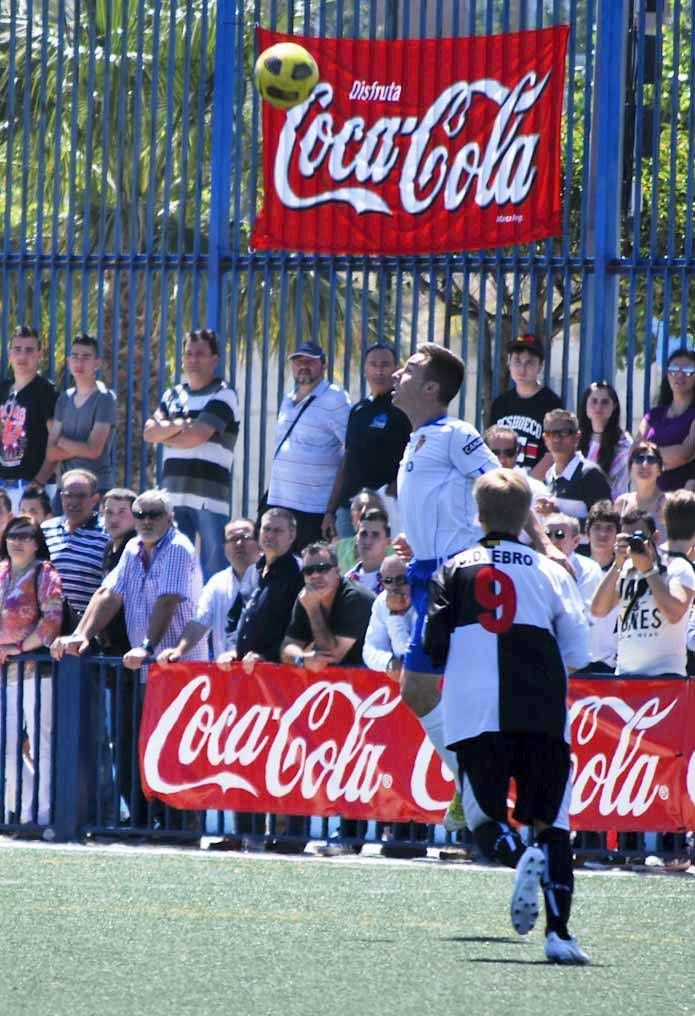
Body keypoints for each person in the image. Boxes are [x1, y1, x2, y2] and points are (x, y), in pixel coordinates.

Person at [425, 468, 590, 965]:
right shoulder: (553, 572)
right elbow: (578, 652)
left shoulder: (453, 569)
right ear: (526, 518)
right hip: (541, 711)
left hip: (476, 714)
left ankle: (521, 860)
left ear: (477, 516)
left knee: (483, 820)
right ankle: (559, 934)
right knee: (551, 822)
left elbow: (433, 648)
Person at [391, 342, 500, 831]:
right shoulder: (417, 440)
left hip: (455, 578)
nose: (397, 373)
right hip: (427, 573)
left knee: (420, 688)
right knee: (431, 691)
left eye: (409, 369)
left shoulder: (455, 432)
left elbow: (500, 487)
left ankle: (475, 784)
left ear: (431, 388)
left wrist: (543, 545)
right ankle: (472, 787)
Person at [143, 328, 240, 581]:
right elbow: (148, 433)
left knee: (214, 570)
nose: (193, 360)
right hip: (173, 498)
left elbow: (196, 436)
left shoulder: (224, 394)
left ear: (214, 359)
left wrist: (168, 433)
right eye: (188, 354)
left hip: (209, 498)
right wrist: (180, 425)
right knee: (174, 570)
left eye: (200, 354)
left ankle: (213, 621)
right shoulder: (172, 395)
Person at [0, 515, 63, 827]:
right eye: (13, 534)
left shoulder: (45, 573)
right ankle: (22, 809)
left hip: (36, 670)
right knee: (6, 745)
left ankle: (43, 815)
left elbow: (52, 620)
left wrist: (16, 649)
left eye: (25, 535)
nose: (17, 540)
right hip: (4, 674)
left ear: (37, 542)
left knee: (42, 744)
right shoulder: (0, 572)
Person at [592, 490, 695, 678]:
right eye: (627, 538)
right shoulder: (625, 568)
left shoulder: (679, 567)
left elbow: (674, 613)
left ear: (656, 536)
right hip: (624, 677)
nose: (632, 544)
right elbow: (598, 610)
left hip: (664, 681)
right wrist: (617, 563)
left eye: (637, 538)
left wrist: (648, 571)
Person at [267, 342, 350, 552]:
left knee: (311, 569)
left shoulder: (335, 399)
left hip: (314, 509)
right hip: (281, 503)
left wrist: (331, 510)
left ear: (323, 365)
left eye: (309, 361)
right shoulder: (287, 399)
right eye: (298, 361)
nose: (303, 366)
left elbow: (352, 451)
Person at [323, 342, 410, 540]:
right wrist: (330, 510)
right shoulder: (358, 410)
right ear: (365, 369)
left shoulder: (404, 408)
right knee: (348, 566)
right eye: (373, 364)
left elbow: (417, 453)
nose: (379, 370)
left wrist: (394, 489)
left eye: (385, 364)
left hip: (385, 506)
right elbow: (347, 460)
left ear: (396, 368)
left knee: (384, 565)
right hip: (349, 508)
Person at [155, 517, 259, 664]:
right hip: (226, 673)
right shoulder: (217, 583)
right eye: (233, 539)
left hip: (261, 671)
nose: (239, 544)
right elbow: (199, 622)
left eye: (245, 538)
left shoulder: (269, 578)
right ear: (224, 547)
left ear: (259, 542)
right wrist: (178, 651)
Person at [224, 508, 303, 671]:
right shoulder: (252, 570)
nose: (270, 535)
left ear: (292, 535)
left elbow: (301, 629)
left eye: (278, 530)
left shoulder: (299, 573)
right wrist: (232, 649)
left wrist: (267, 656)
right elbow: (234, 617)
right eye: (266, 529)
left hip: (277, 672)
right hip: (242, 669)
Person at [40, 334, 117, 495]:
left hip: (96, 488)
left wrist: (60, 440)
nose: (79, 362)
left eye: (86, 357)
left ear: (97, 363)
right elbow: (51, 453)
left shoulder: (105, 398)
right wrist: (81, 448)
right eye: (75, 356)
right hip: (65, 488)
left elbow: (94, 450)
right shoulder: (64, 399)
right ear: (68, 362)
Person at [281, 542, 375, 671]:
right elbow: (287, 647)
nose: (315, 575)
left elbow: (331, 656)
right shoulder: (306, 596)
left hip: (372, 676)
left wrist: (313, 610)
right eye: (308, 571)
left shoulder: (355, 598)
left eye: (322, 568)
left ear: (337, 571)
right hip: (339, 679)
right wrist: (302, 657)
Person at [487, 334, 563, 478]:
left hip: (535, 486)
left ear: (540, 366)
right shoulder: (500, 403)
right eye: (517, 361)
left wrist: (529, 484)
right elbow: (490, 447)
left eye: (529, 363)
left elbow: (554, 452)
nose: (522, 369)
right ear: (509, 363)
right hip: (502, 482)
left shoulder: (552, 404)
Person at [0, 325, 57, 510]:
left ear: (39, 354)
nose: (22, 356)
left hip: (31, 488)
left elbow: (56, 443)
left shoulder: (46, 391)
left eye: (29, 350)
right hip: (3, 487)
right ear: (9, 354)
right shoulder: (3, 389)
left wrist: (39, 482)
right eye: (17, 349)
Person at [41, 468, 109, 617]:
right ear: (61, 497)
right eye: (68, 496)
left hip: (87, 626)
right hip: (47, 624)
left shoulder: (107, 534)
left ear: (95, 499)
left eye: (81, 496)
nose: (73, 502)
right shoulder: (45, 530)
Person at [536, 409, 612, 526]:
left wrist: (558, 515)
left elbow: (605, 525)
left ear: (577, 437)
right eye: (551, 433)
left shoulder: (591, 474)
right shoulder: (549, 475)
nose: (556, 439)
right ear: (545, 438)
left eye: (564, 432)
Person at [637, 348, 695, 492]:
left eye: (688, 370)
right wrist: (665, 458)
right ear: (667, 375)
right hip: (650, 495)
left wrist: (648, 454)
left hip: (683, 500)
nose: (680, 374)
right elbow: (635, 451)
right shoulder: (653, 415)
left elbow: (683, 454)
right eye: (674, 369)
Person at [577, 381, 632, 499]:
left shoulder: (624, 443)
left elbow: (617, 486)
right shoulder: (575, 439)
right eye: (594, 401)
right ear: (585, 406)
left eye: (605, 402)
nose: (598, 407)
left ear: (614, 406)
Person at [362, 554, 414, 677]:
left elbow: (405, 654)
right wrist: (388, 662)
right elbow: (369, 651)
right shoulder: (381, 602)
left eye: (401, 579)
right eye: (388, 581)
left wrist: (395, 614)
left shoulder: (425, 599)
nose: (395, 586)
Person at [614, 441, 667, 534]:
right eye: (639, 459)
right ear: (630, 468)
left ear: (659, 470)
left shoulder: (668, 503)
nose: (645, 464)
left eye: (651, 459)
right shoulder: (622, 503)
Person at [335, 488, 388, 574]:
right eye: (359, 508)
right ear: (352, 518)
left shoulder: (396, 551)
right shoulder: (338, 549)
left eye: (371, 507)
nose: (364, 511)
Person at [344, 508, 391, 594]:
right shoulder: (346, 581)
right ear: (356, 539)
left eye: (375, 535)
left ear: (388, 541)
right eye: (363, 534)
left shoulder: (397, 577)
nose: (368, 541)